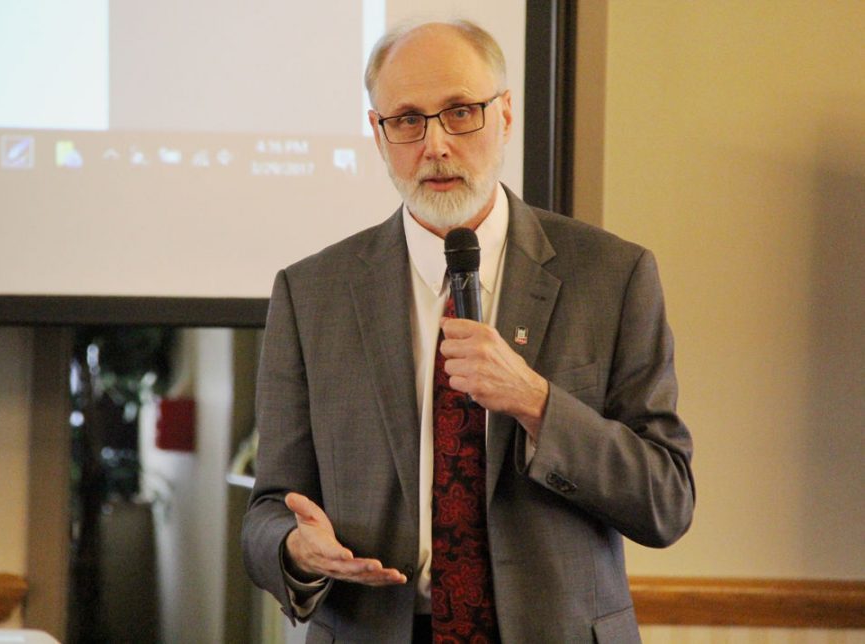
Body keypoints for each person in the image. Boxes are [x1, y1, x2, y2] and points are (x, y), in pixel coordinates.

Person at [242, 19, 694, 644]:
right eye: (407, 119)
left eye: (460, 112)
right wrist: (294, 549)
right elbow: (267, 512)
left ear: (505, 115)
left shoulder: (613, 276)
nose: (435, 145)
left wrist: (537, 403)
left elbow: (666, 500)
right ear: (378, 134)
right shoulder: (312, 293)